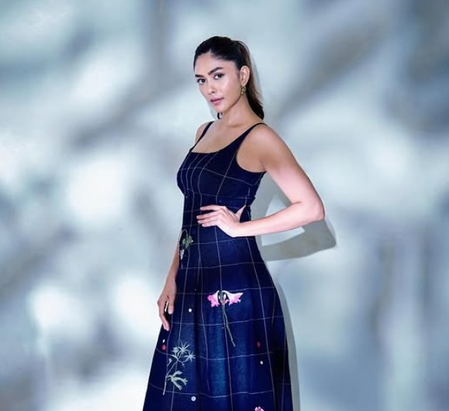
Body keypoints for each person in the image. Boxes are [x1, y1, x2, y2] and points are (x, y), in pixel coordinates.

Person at [142, 35, 325, 411]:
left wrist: (241, 228)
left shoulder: (260, 138)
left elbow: (311, 208)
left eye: (218, 75)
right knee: (179, 394)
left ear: (242, 76)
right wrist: (171, 278)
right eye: (201, 80)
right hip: (192, 287)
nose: (209, 88)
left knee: (233, 396)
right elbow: (191, 218)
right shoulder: (203, 132)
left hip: (235, 292)